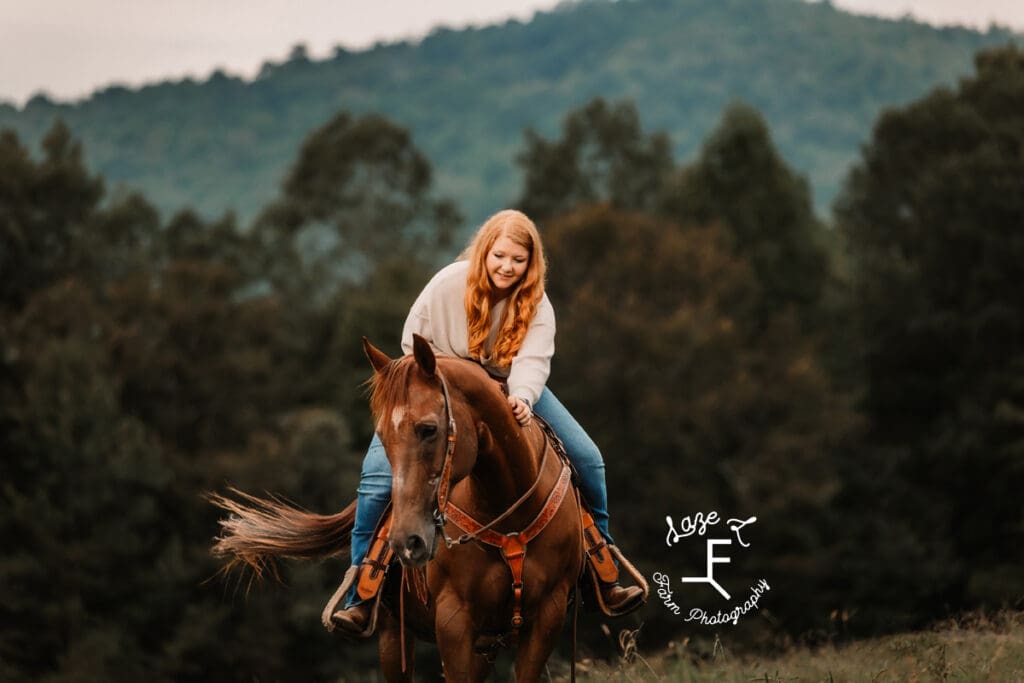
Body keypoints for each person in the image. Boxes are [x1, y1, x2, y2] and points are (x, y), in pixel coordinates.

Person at [332, 209, 642, 634]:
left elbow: (534, 359)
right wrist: (444, 378)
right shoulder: (446, 285)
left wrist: (522, 397)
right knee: (375, 481)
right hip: (439, 384)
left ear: (531, 264)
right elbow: (412, 342)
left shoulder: (538, 304)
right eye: (500, 256)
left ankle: (602, 572)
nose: (507, 267)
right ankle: (361, 594)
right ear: (484, 252)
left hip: (507, 385)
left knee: (589, 459)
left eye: (518, 260)